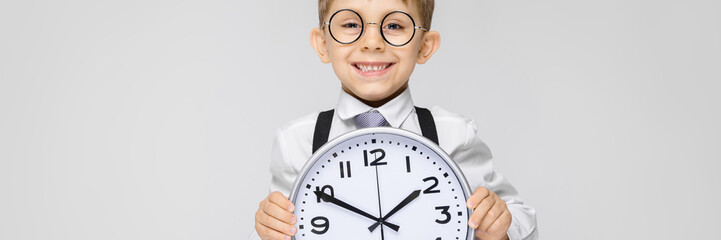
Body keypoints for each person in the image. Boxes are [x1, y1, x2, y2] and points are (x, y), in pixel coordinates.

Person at [252, 0, 538, 239]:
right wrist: (269, 227)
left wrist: (501, 227)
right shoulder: (296, 142)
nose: (373, 42)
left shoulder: (453, 135)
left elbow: (522, 219)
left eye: (394, 25)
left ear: (425, 46)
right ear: (322, 44)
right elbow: (280, 227)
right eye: (351, 24)